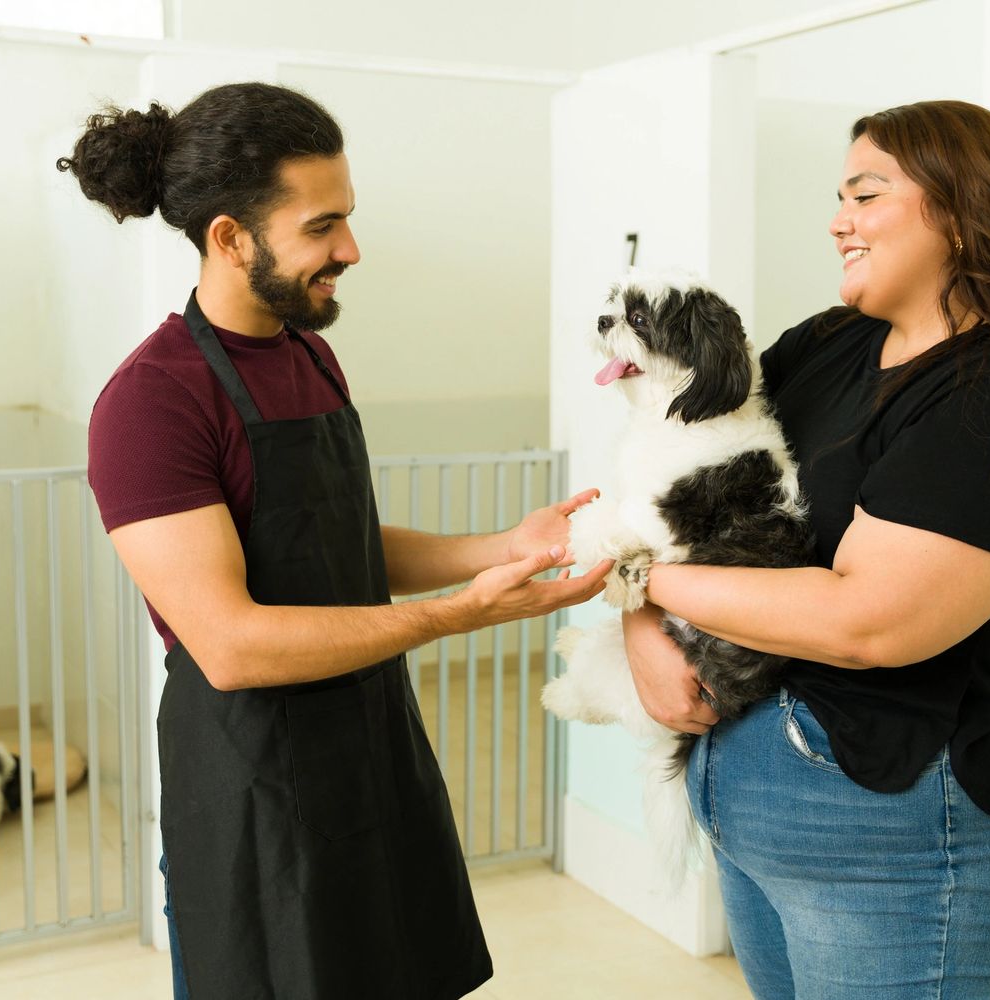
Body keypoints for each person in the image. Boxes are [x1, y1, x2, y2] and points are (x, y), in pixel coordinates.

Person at [58, 82, 608, 1000]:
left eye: (347, 220)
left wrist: (498, 546)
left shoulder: (307, 353)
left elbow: (337, 543)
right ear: (231, 237)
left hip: (370, 755)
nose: (350, 250)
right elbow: (229, 646)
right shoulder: (152, 404)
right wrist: (457, 616)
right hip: (255, 789)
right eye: (323, 227)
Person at [621, 100, 990, 999]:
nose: (837, 218)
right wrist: (641, 627)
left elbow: (869, 623)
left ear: (963, 212)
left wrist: (640, 583)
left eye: (866, 192)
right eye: (838, 196)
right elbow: (693, 494)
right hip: (752, 802)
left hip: (893, 827)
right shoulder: (829, 345)